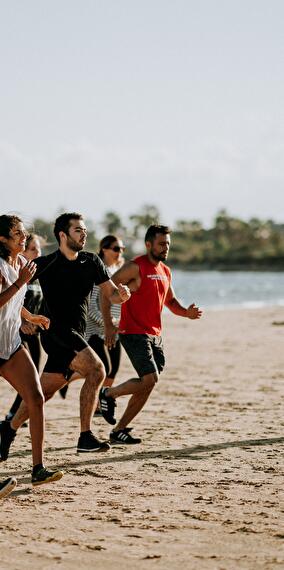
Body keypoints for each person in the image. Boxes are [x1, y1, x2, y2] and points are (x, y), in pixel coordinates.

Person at [3, 212, 130, 458]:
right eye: (78, 230)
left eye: (84, 231)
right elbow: (15, 289)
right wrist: (24, 318)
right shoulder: (46, 263)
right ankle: (85, 436)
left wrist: (122, 296)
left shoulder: (92, 261)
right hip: (56, 331)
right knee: (97, 369)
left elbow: (111, 293)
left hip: (76, 332)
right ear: (63, 235)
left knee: (45, 391)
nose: (84, 234)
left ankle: (8, 429)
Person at [99, 224, 202, 444]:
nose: (166, 248)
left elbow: (171, 302)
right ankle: (109, 394)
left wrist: (187, 313)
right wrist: (108, 325)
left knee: (148, 383)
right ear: (148, 244)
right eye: (161, 243)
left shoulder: (165, 271)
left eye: (168, 244)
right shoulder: (135, 267)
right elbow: (105, 291)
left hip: (155, 334)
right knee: (150, 378)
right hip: (133, 332)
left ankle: (119, 430)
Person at [0, 214, 63, 486]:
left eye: (24, 232)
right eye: (17, 234)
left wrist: (30, 317)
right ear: (2, 239)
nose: (23, 237)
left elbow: (13, 304)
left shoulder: (24, 263)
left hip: (10, 346)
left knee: (36, 398)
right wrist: (19, 282)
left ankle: (38, 469)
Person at [6, 233, 44, 421]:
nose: (38, 253)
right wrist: (22, 322)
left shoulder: (36, 276)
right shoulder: (12, 272)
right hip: (15, 334)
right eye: (33, 249)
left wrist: (34, 318)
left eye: (39, 249)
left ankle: (16, 414)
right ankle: (14, 414)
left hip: (32, 334)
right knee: (27, 381)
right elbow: (9, 302)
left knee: (32, 379)